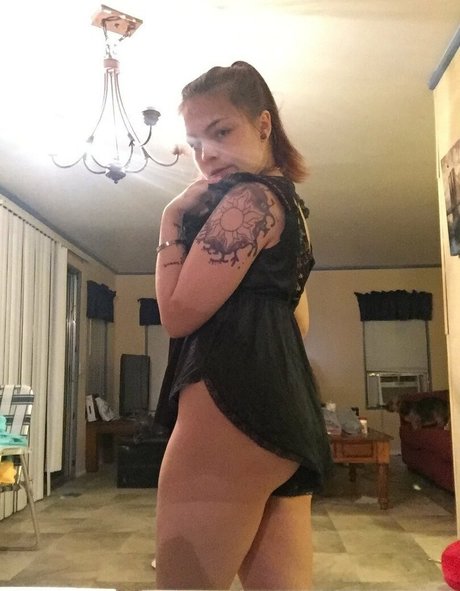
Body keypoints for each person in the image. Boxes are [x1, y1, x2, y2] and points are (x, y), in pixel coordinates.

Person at [154, 60, 333, 590]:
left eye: (221, 132)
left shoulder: (249, 200)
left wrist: (170, 220)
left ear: (263, 124)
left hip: (228, 411)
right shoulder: (291, 207)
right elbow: (299, 321)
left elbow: (176, 316)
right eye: (194, 143)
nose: (206, 155)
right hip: (284, 415)